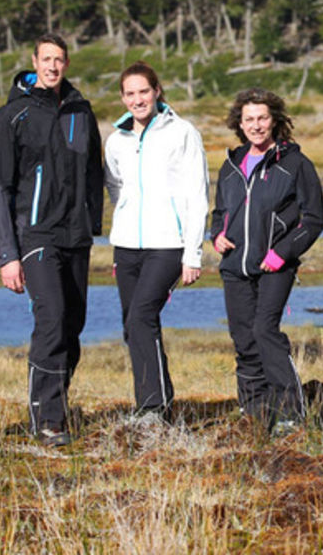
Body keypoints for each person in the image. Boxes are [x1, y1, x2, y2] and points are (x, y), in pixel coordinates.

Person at [0, 32, 103, 447]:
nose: (53, 66)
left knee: (73, 324)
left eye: (59, 60)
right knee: (51, 320)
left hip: (76, 236)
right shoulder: (11, 115)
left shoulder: (80, 111)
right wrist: (6, 255)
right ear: (34, 61)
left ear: (66, 64)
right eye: (46, 59)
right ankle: (47, 419)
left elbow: (93, 173)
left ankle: (57, 405)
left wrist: (93, 225)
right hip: (34, 234)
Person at [211, 88, 323, 435]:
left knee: (265, 331)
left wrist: (283, 252)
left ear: (274, 120)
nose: (256, 125)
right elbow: (219, 213)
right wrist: (216, 235)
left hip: (275, 265)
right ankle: (255, 411)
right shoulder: (231, 166)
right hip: (235, 266)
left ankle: (290, 413)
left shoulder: (295, 164)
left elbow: (313, 219)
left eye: (262, 118)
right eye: (249, 119)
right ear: (239, 124)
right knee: (243, 339)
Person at [104, 61, 208, 419]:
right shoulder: (116, 140)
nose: (138, 100)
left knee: (141, 318)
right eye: (130, 94)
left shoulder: (182, 132)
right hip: (127, 246)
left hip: (168, 245)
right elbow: (115, 186)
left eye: (143, 91)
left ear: (157, 91)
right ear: (122, 97)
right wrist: (127, 215)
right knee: (134, 325)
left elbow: (197, 194)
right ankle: (152, 402)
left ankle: (152, 407)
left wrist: (192, 253)